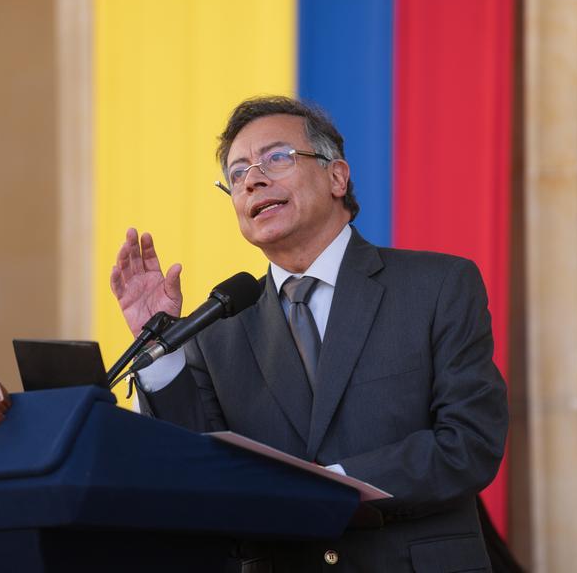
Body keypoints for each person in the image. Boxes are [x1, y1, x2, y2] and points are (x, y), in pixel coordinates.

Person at [110, 96, 508, 572]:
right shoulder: (215, 326)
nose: (253, 180)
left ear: (336, 176)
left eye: (276, 158)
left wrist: (330, 486)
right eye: (237, 174)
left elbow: (468, 442)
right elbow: (194, 473)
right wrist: (160, 345)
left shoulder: (436, 286)